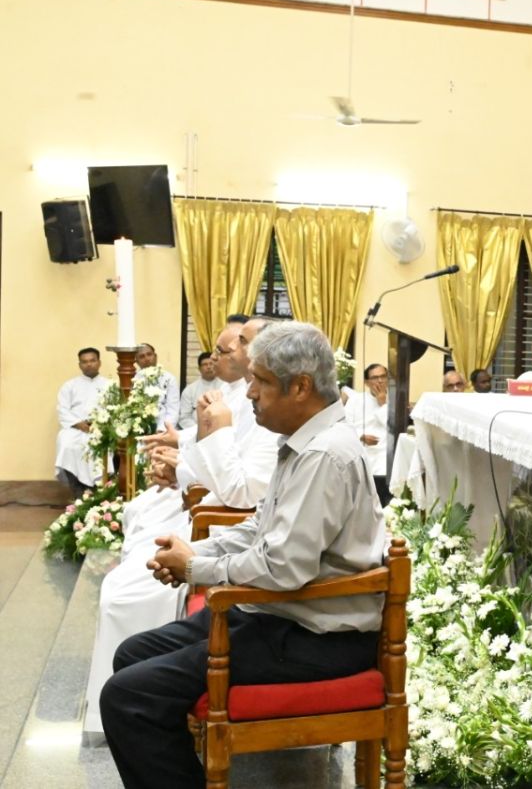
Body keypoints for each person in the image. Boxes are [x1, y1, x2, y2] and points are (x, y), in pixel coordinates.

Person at [99, 321, 386, 789]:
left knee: (129, 697)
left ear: (301, 387)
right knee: (133, 654)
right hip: (284, 615)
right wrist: (196, 551)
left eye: (261, 382)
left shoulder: (324, 455)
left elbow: (282, 567)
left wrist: (196, 567)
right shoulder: (305, 442)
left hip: (316, 637)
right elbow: (260, 527)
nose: (249, 393)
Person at [83, 320, 278, 736]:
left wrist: (194, 563)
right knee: (131, 563)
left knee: (122, 593)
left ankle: (143, 708)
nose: (230, 354)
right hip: (220, 528)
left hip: (222, 530)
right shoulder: (254, 404)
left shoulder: (296, 436)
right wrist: (186, 462)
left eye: (240, 344)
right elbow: (247, 497)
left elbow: (243, 492)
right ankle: (129, 706)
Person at [54, 347, 112, 494]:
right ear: (79, 365)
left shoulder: (110, 385)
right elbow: (62, 409)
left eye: (92, 360)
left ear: (99, 362)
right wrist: (79, 424)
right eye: (84, 362)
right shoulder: (69, 385)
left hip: (101, 429)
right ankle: (78, 492)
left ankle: (100, 492)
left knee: (104, 447)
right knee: (66, 443)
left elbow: (115, 409)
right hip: (75, 428)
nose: (89, 364)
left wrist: (100, 425)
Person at [345, 363, 391, 503]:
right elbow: (345, 426)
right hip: (363, 454)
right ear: (366, 382)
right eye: (375, 378)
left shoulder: (395, 400)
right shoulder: (355, 400)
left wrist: (383, 403)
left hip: (385, 458)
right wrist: (361, 436)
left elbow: (394, 428)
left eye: (383, 376)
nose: (380, 381)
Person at [135, 342, 181, 430]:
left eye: (149, 354)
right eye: (142, 356)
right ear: (137, 362)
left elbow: (173, 409)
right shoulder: (134, 380)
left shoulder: (169, 379)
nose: (147, 359)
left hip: (165, 428)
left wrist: (162, 430)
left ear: (155, 356)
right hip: (141, 428)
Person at [176, 352, 220, 429]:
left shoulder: (225, 386)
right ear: (199, 369)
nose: (209, 367)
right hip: (196, 430)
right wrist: (200, 429)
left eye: (211, 364)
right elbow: (184, 417)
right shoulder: (189, 390)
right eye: (205, 364)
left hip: (221, 429)